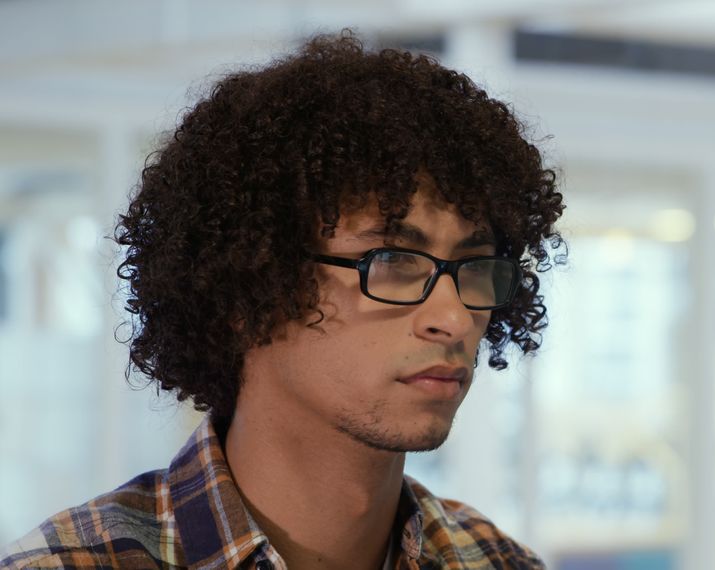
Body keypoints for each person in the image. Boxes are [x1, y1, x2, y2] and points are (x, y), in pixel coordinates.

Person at [0, 30, 564, 570]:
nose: (455, 317)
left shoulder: (500, 561)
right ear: (249, 285)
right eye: (391, 262)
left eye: (475, 266)